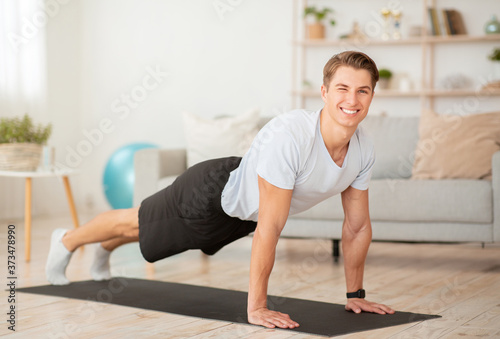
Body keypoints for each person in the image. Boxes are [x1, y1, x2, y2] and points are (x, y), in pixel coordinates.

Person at [46, 50, 395, 329]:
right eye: (343, 89)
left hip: (242, 217)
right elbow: (271, 227)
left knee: (156, 238)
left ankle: (104, 246)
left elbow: (357, 226)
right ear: (324, 92)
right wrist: (257, 307)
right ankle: (66, 240)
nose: (352, 99)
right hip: (210, 195)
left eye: (362, 90)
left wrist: (355, 294)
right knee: (135, 221)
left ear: (372, 96)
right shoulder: (291, 137)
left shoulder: (362, 148)